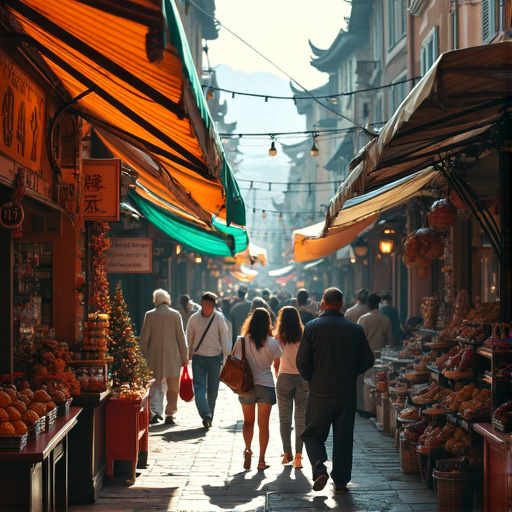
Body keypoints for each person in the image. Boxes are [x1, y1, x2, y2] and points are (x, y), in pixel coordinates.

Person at [296, 287, 374, 494]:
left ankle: (319, 467)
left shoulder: (312, 327)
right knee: (343, 437)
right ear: (342, 304)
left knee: (312, 435)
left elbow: (301, 361)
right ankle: (340, 481)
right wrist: (350, 373)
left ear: (322, 303)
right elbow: (368, 359)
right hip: (345, 392)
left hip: (320, 391)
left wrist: (312, 378)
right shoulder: (354, 329)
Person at [233, 307, 282, 471]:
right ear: (268, 323)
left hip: (246, 386)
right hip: (266, 385)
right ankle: (261, 460)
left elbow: (237, 360)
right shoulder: (273, 342)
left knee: (248, 422)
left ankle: (247, 449)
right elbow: (277, 364)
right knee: (264, 425)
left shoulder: (242, 340)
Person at [140, 289, 188, 425]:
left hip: (153, 357)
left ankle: (154, 412)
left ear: (155, 301)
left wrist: (144, 357)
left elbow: (144, 340)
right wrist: (184, 358)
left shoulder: (149, 315)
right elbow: (181, 338)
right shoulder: (175, 315)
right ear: (167, 300)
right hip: (173, 357)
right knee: (173, 387)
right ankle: (170, 414)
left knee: (155, 385)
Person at [187, 291, 231, 429]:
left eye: (210, 305)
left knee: (213, 390)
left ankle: (209, 417)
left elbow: (224, 339)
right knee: (199, 387)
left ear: (213, 305)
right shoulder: (194, 318)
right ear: (201, 304)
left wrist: (227, 358)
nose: (208, 307)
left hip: (214, 358)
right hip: (199, 358)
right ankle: (206, 414)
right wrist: (188, 353)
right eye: (206, 304)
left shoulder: (218, 318)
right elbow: (189, 338)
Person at [273, 306, 308, 469]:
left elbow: (276, 358)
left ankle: (287, 453)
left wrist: (276, 369)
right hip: (302, 378)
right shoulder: (305, 334)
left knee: (284, 418)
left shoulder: (279, 336)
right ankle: (299, 456)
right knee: (300, 418)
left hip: (284, 377)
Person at [357, 292, 394, 356]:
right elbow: (390, 340)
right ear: (379, 303)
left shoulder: (363, 319)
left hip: (366, 354)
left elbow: (358, 339)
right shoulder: (386, 319)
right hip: (381, 354)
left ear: (368, 304)